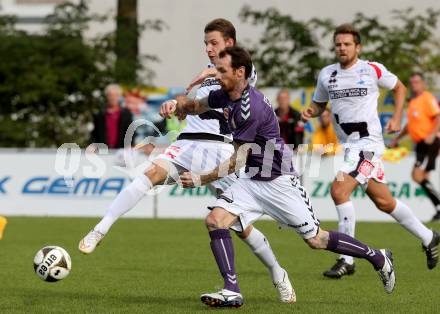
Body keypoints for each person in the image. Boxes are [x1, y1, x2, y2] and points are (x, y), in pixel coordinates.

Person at [161, 46, 396, 308]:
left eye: (222, 70)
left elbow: (237, 159)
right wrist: (179, 104)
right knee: (216, 220)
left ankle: (378, 257)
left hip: (278, 181)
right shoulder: (226, 94)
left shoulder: (250, 108)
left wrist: (201, 178)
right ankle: (231, 289)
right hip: (251, 179)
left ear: (240, 73)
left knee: (316, 240)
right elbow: (197, 106)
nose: (217, 73)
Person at [79, 19, 295, 304]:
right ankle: (100, 229)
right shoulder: (204, 75)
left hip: (218, 149)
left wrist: (208, 74)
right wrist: (175, 105)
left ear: (229, 44)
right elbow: (191, 106)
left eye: (214, 43)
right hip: (187, 142)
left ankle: (278, 273)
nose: (208, 48)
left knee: (240, 226)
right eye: (206, 43)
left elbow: (234, 84)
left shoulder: (243, 71)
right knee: (149, 174)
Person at [301, 24, 439, 279]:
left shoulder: (371, 68)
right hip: (350, 147)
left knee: (338, 190)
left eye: (347, 44)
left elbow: (400, 88)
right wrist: (312, 111)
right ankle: (429, 236)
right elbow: (319, 104)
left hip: (369, 146)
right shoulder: (326, 74)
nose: (342, 48)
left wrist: (397, 118)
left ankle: (347, 259)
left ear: (358, 47)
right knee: (384, 202)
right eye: (338, 44)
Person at [390, 73, 440, 221]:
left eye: (417, 82)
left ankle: (439, 206)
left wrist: (432, 133)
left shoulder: (427, 98)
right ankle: (438, 207)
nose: (414, 85)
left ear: (423, 84)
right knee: (422, 176)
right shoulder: (413, 102)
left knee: (418, 175)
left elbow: (438, 116)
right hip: (420, 145)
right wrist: (397, 138)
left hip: (428, 143)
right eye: (412, 82)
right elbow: (409, 125)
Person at [90, 84, 133, 149]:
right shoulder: (100, 114)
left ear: (119, 97)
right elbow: (95, 134)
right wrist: (93, 145)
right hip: (103, 151)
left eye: (116, 95)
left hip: (121, 151)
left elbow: (131, 132)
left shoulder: (126, 114)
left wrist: (130, 146)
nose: (113, 98)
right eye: (110, 95)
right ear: (106, 96)